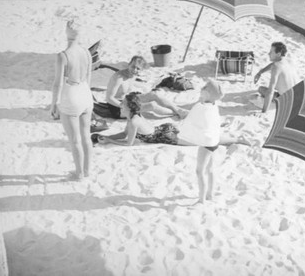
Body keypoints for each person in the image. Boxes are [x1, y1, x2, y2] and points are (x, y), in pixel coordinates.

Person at [94, 80, 251, 204]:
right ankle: (233, 138)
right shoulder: (134, 117)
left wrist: (109, 140)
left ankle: (235, 139)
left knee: (201, 144)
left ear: (128, 108)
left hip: (169, 136)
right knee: (207, 140)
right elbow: (124, 133)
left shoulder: (133, 121)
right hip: (166, 130)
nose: (120, 105)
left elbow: (128, 142)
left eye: (122, 104)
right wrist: (108, 138)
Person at [50, 20, 93, 181]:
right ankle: (87, 170)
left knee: (75, 140)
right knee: (86, 136)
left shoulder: (63, 55)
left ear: (66, 33)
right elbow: (89, 77)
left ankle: (79, 173)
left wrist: (54, 104)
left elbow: (57, 84)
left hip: (71, 94)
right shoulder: (87, 53)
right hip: (85, 92)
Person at [94, 55, 188, 119]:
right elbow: (109, 98)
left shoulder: (133, 75)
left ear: (141, 70)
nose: (134, 70)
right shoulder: (118, 78)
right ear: (128, 65)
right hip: (118, 109)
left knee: (154, 94)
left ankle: (178, 110)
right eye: (133, 66)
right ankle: (174, 114)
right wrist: (124, 106)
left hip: (127, 100)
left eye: (138, 68)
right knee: (152, 105)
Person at [253, 42, 299, 113]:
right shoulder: (289, 61)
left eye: (271, 52)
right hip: (298, 96)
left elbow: (270, 92)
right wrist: (260, 72)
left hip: (288, 101)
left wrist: (264, 111)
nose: (268, 54)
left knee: (261, 89)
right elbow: (273, 64)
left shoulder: (276, 67)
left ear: (278, 54)